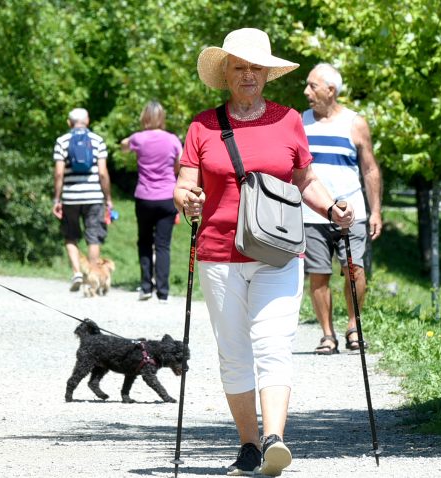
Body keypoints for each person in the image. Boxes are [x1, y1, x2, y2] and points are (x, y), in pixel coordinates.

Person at [174, 28, 354, 476]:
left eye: (256, 67)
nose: (248, 74)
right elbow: (184, 183)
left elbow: (306, 180)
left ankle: (274, 439)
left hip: (279, 252)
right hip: (218, 252)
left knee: (274, 344)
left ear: (267, 74)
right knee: (234, 352)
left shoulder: (289, 120)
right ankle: (248, 445)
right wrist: (187, 199)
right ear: (227, 74)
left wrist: (332, 208)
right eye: (240, 66)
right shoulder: (203, 124)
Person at [301, 63, 382, 355]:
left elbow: (370, 169)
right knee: (318, 275)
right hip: (312, 214)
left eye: (312, 86)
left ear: (331, 90)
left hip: (352, 212)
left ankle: (353, 326)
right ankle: (327, 334)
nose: (306, 91)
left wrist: (375, 211)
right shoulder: (300, 122)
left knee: (354, 270)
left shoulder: (355, 123)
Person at [121, 101, 182, 303]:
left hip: (144, 198)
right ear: (162, 118)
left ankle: (146, 286)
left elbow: (123, 146)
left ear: (144, 117)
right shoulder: (173, 139)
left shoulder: (138, 138)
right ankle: (163, 292)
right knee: (163, 246)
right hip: (167, 198)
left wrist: (130, 145)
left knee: (145, 242)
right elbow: (180, 163)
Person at [52, 108, 113, 291]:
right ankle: (92, 278)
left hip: (70, 197)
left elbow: (59, 173)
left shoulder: (62, 141)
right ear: (87, 121)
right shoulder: (97, 140)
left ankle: (77, 272)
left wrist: (57, 199)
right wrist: (108, 197)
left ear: (69, 122)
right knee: (93, 237)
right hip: (94, 196)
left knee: (70, 236)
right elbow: (102, 173)